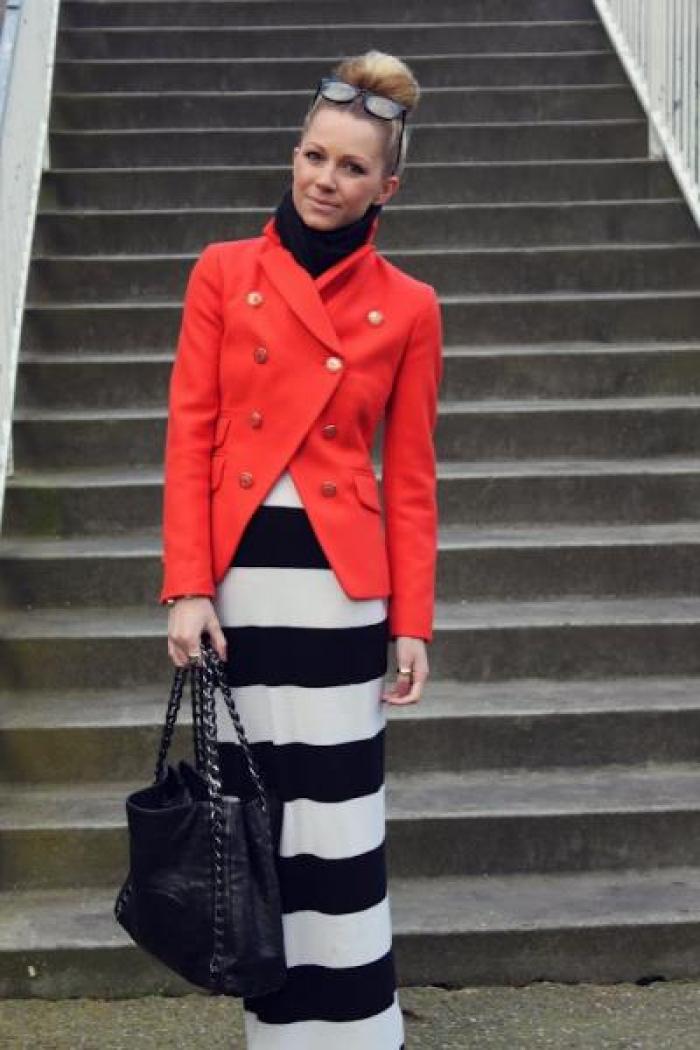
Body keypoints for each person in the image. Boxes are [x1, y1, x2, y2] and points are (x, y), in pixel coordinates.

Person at [160, 49, 443, 1050]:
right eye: (315, 157)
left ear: (386, 188)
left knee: (339, 813)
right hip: (242, 584)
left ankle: (361, 1028)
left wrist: (412, 622)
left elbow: (412, 475)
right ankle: (281, 1033)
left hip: (340, 593)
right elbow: (190, 435)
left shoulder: (410, 305)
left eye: (352, 167)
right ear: (293, 156)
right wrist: (187, 586)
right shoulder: (222, 271)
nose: (327, 179)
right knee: (262, 814)